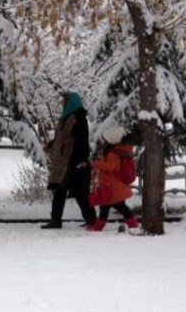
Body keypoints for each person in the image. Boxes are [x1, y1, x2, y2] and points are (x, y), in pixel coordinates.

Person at [41, 92, 96, 229]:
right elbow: (63, 138)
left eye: (65, 100)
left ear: (71, 102)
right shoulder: (66, 117)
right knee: (62, 191)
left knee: (79, 192)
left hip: (73, 161)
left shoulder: (78, 117)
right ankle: (57, 220)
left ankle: (90, 219)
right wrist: (52, 144)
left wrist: (82, 159)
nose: (62, 102)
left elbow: (82, 139)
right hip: (64, 161)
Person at [86, 126, 139, 232]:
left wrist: (96, 163)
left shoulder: (112, 153)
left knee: (111, 207)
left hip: (112, 186)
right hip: (115, 185)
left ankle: (99, 226)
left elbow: (111, 167)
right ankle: (132, 224)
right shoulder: (119, 150)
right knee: (114, 207)